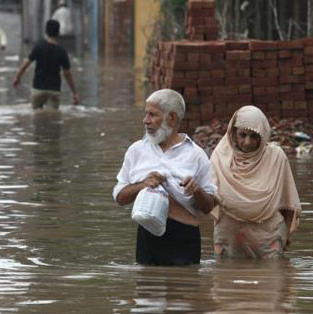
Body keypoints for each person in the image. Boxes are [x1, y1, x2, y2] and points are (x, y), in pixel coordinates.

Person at [112, 89, 217, 265]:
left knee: (184, 288)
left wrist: (196, 189)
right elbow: (119, 197)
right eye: (146, 114)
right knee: (147, 287)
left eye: (153, 115)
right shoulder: (136, 150)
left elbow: (208, 207)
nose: (145, 121)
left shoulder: (196, 155)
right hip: (147, 237)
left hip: (184, 237)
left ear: (172, 118)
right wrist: (143, 185)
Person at [210, 105, 301, 259]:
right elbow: (209, 198)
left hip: (267, 233)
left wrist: (286, 236)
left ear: (263, 135)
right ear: (233, 134)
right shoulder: (220, 157)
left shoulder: (276, 157)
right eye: (242, 135)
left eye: (254, 136)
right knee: (225, 278)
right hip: (229, 234)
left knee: (272, 279)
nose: (247, 142)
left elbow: (287, 201)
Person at [13, 19, 79, 109]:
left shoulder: (39, 47)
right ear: (58, 32)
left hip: (38, 89)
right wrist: (74, 92)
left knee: (37, 117)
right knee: (54, 118)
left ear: (46, 31)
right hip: (54, 90)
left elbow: (26, 64)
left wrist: (17, 78)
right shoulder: (62, 51)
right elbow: (67, 73)